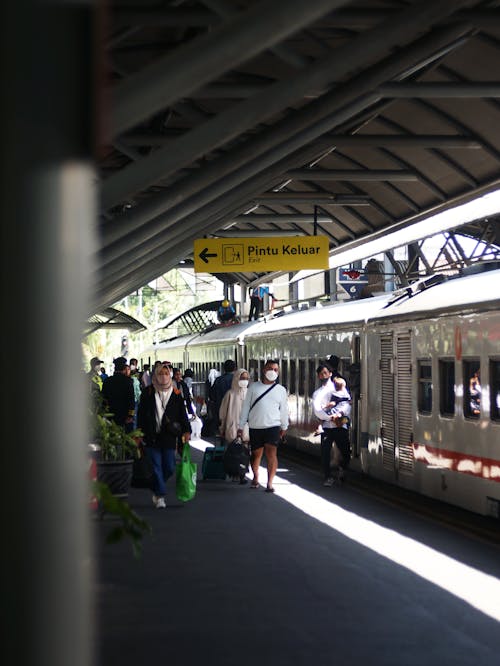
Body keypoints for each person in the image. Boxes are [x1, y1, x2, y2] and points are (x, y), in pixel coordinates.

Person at [137, 364, 191, 508]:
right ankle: (160, 495)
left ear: (170, 375)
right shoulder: (148, 392)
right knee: (155, 466)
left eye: (166, 373)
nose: (163, 376)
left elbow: (182, 414)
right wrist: (138, 432)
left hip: (169, 436)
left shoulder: (176, 393)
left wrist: (187, 431)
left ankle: (156, 486)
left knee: (169, 466)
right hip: (151, 435)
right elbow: (141, 414)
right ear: (155, 375)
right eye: (160, 373)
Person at [237, 359, 288, 493]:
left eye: (276, 370)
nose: (273, 372)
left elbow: (283, 410)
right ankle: (256, 476)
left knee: (272, 454)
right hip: (256, 426)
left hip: (273, 426)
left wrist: (284, 426)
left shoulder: (281, 390)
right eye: (270, 369)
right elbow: (246, 407)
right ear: (264, 370)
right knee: (256, 454)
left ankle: (270, 483)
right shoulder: (253, 387)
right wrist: (241, 426)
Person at [313, 365, 351, 486]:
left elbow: (347, 404)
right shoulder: (317, 393)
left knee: (345, 451)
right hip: (326, 427)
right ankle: (328, 476)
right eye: (321, 373)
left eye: (325, 372)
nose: (323, 375)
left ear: (330, 374)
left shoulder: (340, 387)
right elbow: (317, 410)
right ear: (318, 376)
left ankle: (342, 468)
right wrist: (329, 418)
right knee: (325, 452)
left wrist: (340, 414)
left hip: (340, 425)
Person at [219, 368, 251, 484]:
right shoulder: (230, 394)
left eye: (247, 378)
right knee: (234, 451)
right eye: (242, 378)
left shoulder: (250, 393)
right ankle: (235, 472)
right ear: (237, 378)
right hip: (232, 427)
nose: (245, 380)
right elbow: (223, 413)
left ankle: (242, 473)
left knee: (245, 452)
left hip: (247, 428)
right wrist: (222, 428)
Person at [101, 356, 135, 431]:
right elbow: (131, 400)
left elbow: (103, 399)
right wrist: (130, 415)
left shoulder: (107, 381)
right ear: (124, 368)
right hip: (125, 417)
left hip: (110, 416)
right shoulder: (128, 381)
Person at [212, 359, 236, 426]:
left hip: (220, 408)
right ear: (234, 368)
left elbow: (212, 395)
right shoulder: (237, 380)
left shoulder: (218, 380)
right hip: (234, 409)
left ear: (224, 368)